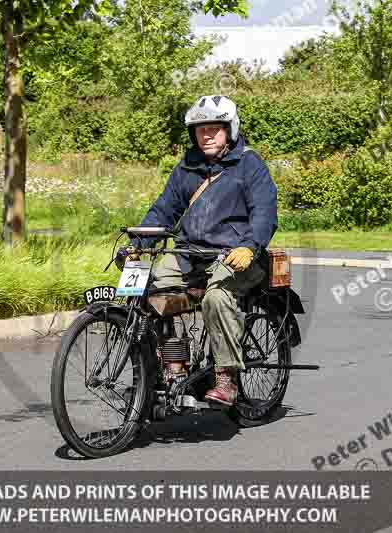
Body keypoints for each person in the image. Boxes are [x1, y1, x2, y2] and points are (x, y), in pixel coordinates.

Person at [114, 95, 278, 406]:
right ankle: (173, 365)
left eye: (214, 129)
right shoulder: (187, 167)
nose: (207, 136)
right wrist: (138, 244)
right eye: (201, 130)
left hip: (235, 256)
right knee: (151, 290)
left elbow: (264, 212)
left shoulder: (249, 165)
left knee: (217, 298)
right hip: (190, 254)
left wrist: (250, 246)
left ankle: (226, 377)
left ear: (230, 130)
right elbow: (164, 210)